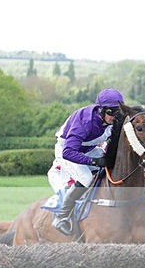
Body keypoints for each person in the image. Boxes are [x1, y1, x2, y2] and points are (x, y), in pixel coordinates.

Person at [49, 88, 124, 236]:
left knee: (112, 163)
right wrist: (94, 161)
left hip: (89, 148)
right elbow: (68, 152)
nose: (115, 117)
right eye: (111, 112)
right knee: (86, 177)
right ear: (101, 110)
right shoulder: (85, 122)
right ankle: (61, 217)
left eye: (118, 112)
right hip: (68, 152)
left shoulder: (112, 119)